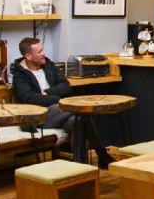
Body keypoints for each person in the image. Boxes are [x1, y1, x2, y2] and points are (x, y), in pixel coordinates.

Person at [12, 37, 112, 168]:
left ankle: (80, 166)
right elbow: (30, 99)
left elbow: (66, 86)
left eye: (43, 50)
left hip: (59, 113)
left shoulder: (49, 66)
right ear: (28, 56)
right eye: (39, 52)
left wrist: (47, 92)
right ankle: (102, 156)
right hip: (38, 118)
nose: (44, 54)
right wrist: (58, 99)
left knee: (79, 120)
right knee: (78, 111)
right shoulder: (19, 75)